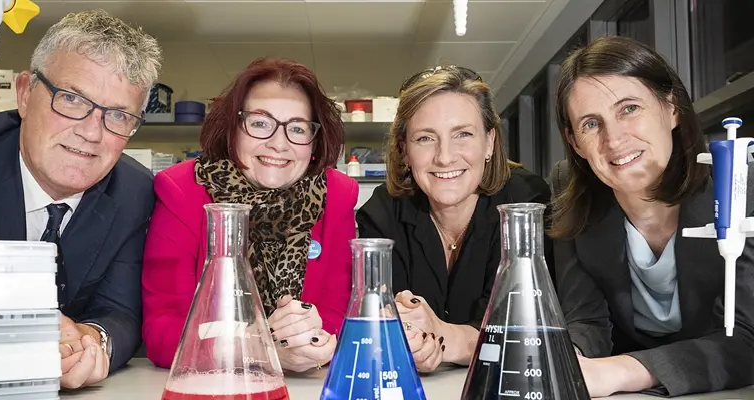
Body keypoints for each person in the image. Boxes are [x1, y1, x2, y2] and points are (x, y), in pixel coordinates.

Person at [0, 10, 162, 388]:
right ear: (24, 93)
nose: (91, 133)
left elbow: (120, 310)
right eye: (71, 99)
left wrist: (91, 341)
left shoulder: (135, 192)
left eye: (118, 116)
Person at [548, 35, 754, 397]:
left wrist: (622, 372)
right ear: (575, 141)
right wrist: (567, 359)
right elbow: (586, 320)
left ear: (671, 107)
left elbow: (747, 338)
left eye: (629, 108)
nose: (614, 140)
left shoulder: (740, 185)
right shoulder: (572, 190)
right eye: (591, 124)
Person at [141, 57, 358, 373]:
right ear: (232, 129)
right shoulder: (182, 190)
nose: (278, 144)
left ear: (315, 142)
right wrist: (260, 349)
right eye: (259, 123)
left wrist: (313, 340)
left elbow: (339, 314)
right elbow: (162, 330)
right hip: (214, 387)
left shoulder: (337, 195)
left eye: (297, 128)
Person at [356, 65, 553, 373]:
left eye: (463, 134)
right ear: (404, 150)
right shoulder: (383, 213)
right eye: (425, 138)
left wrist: (444, 338)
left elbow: (528, 329)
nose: (445, 157)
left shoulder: (525, 202)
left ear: (489, 142)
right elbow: (379, 325)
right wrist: (409, 340)